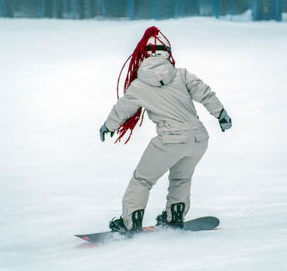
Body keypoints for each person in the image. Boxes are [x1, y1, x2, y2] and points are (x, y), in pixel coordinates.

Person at [99, 26, 232, 234]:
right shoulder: (182, 75)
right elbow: (205, 93)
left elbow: (122, 108)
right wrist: (221, 115)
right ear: (166, 55)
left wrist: (108, 126)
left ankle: (130, 224)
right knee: (181, 179)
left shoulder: (139, 85)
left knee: (142, 179)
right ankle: (175, 216)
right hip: (199, 139)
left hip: (170, 141)